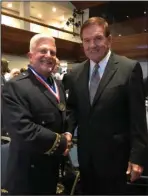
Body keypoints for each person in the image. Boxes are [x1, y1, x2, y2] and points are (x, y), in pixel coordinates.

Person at [65, 17, 148, 195]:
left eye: (98, 38)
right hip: (86, 157)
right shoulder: (76, 73)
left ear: (109, 40)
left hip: (117, 159)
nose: (92, 45)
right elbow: (73, 108)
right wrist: (68, 130)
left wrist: (137, 158)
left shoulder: (129, 68)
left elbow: (138, 119)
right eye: (86, 40)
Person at [2, 33, 71, 195]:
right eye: (43, 51)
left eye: (52, 53)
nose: (48, 56)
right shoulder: (15, 87)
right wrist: (62, 143)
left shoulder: (56, 85)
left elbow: (62, 114)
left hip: (51, 167)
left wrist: (67, 131)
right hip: (27, 174)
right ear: (30, 56)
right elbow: (23, 130)